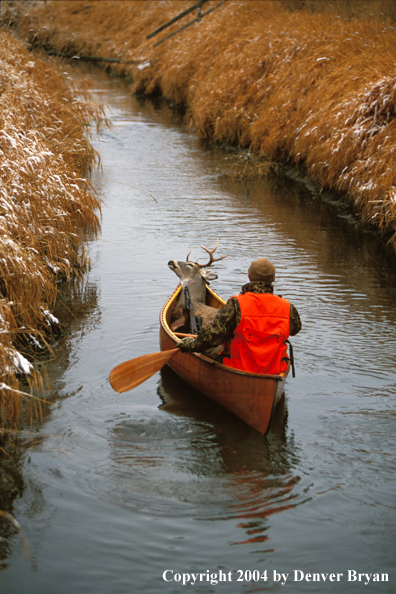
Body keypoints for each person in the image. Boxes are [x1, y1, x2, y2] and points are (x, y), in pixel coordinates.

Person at [176, 257, 301, 375]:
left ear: (249, 277)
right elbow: (295, 329)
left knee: (208, 348)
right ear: (273, 279)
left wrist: (192, 344)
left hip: (239, 367)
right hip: (275, 369)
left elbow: (213, 336)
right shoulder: (287, 307)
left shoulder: (236, 304)